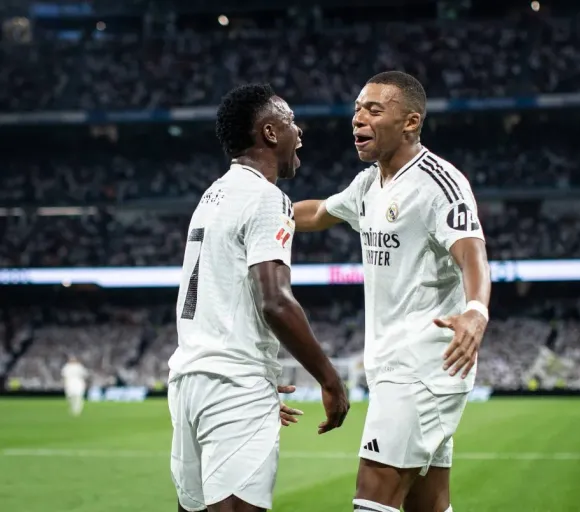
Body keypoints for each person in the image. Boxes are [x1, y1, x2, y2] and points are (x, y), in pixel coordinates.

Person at [293, 71, 491, 512]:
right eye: (357, 109)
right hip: (397, 369)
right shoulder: (368, 183)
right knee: (428, 503)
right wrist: (260, 212)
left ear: (410, 122)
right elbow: (319, 213)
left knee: (373, 494)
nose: (358, 118)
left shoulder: (440, 183)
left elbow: (472, 252)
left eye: (373, 110)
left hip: (421, 366)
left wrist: (476, 309)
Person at [167, 83, 350, 512]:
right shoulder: (268, 198)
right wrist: (330, 379)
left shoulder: (213, 195)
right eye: (290, 122)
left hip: (190, 381)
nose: (299, 133)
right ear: (270, 132)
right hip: (233, 385)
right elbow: (276, 301)